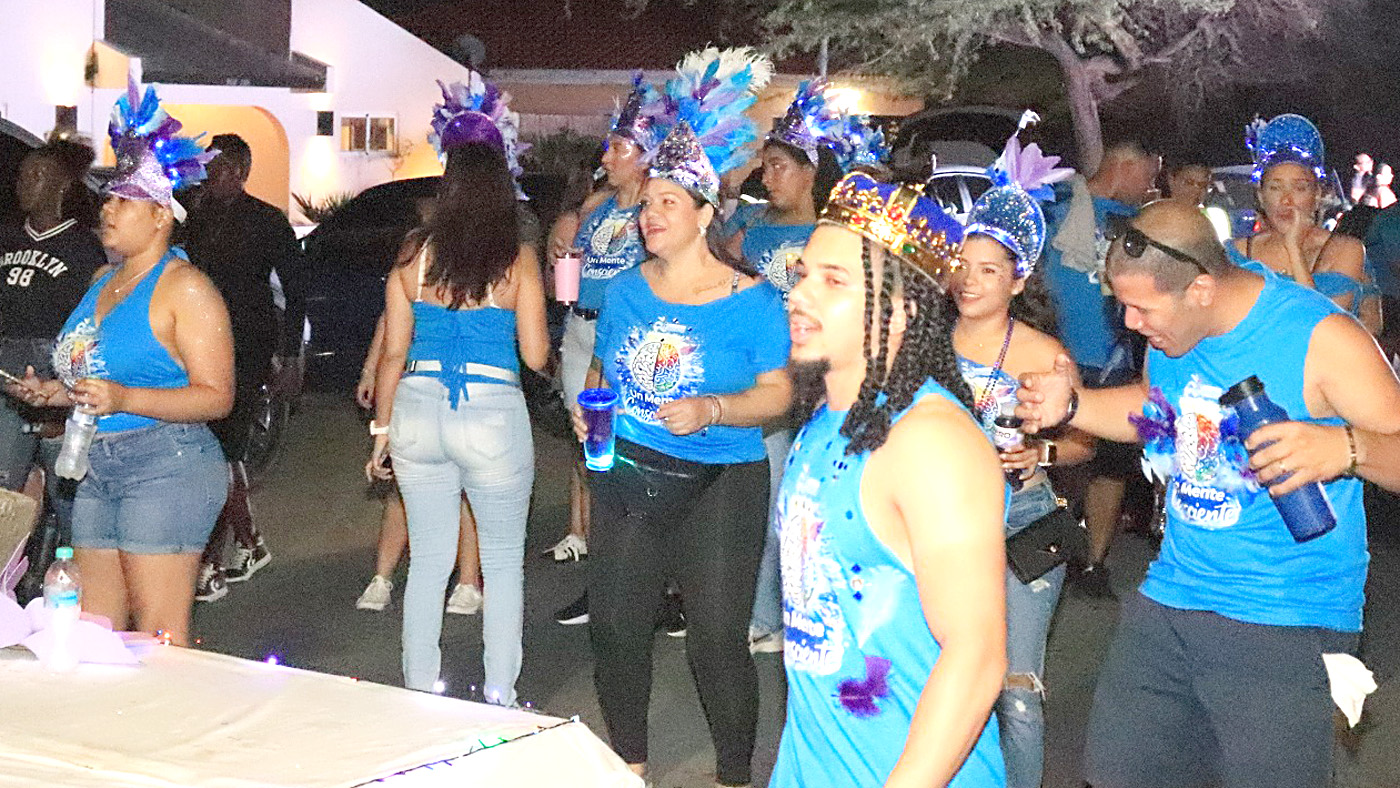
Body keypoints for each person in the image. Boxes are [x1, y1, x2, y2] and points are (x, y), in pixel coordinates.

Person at [1017, 200, 1400, 788]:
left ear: (1199, 289)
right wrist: (1074, 405)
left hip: (1286, 615)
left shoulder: (1321, 337)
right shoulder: (1171, 335)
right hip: (1173, 592)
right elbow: (1156, 410)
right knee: (1118, 774)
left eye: (1142, 308)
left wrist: (1346, 448)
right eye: (1123, 306)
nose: (1130, 323)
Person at [575, 48, 787, 786]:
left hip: (722, 479)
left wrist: (713, 408)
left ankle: (732, 774)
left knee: (716, 642)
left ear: (705, 214)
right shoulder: (626, 290)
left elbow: (778, 394)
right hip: (629, 472)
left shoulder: (753, 301)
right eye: (647, 202)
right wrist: (592, 419)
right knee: (615, 627)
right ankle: (630, 764)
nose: (650, 214)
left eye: (668, 202)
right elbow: (602, 372)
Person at [770, 170, 1007, 787]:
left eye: (834, 281)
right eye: (803, 275)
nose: (800, 296)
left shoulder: (931, 443)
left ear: (901, 311)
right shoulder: (825, 419)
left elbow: (977, 655)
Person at [6, 80, 233, 647]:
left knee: (159, 638)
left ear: (160, 216)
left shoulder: (186, 288)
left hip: (166, 465)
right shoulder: (102, 280)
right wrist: (56, 392)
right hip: (92, 464)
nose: (106, 209)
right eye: (107, 198)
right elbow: (101, 378)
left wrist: (124, 399)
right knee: (94, 636)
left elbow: (217, 396)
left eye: (122, 201)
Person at [364, 75, 548, 704]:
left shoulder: (413, 255)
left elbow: (393, 353)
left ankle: (419, 687)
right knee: (501, 562)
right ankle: (498, 692)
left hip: (417, 411)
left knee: (429, 561)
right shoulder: (518, 258)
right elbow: (534, 355)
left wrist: (381, 432)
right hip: (492, 411)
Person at [953, 122, 1094, 788]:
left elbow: (1086, 442)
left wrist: (1042, 453)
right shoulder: (925, 337)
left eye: (988, 270)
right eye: (963, 264)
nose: (969, 280)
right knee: (947, 679)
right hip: (943, 523)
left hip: (1021, 522)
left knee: (1015, 691)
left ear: (1018, 280)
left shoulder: (1044, 354)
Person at [722, 79, 883, 654]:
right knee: (762, 505)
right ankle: (760, 612)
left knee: (806, 507)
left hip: (819, 390)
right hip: (764, 383)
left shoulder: (834, 235)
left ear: (812, 172)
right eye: (764, 166)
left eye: (779, 167)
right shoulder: (747, 230)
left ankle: (793, 615)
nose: (767, 178)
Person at [546, 76, 659, 598]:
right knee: (590, 446)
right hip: (580, 330)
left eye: (618, 148)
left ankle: (638, 580)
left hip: (625, 339)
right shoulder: (597, 208)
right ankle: (604, 576)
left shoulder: (657, 210)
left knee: (626, 451)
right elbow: (572, 271)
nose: (606, 157)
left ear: (645, 155)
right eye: (608, 147)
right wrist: (563, 262)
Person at [182, 133, 305, 601]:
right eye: (207, 167)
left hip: (248, 345)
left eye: (218, 168)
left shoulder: (267, 221)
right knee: (212, 450)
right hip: (197, 342)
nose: (209, 176)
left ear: (239, 172)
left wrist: (290, 356)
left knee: (223, 447)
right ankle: (250, 543)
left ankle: (211, 560)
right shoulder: (196, 218)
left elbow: (295, 290)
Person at [1040, 141, 1161, 596]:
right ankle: (1049, 555)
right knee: (1058, 462)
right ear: (1124, 165)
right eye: (1147, 173)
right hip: (1059, 355)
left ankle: (1093, 564)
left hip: (1115, 358)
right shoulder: (1057, 205)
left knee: (1111, 466)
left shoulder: (1139, 224)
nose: (1150, 185)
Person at [0, 138, 106, 515]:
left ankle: (64, 549)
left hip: (57, 370)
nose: (23, 183)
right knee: (6, 490)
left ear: (60, 184)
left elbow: (94, 322)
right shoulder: (7, 236)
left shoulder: (83, 247)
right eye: (22, 175)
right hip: (10, 373)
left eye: (37, 175)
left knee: (68, 496)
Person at [354, 314, 482, 615]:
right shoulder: (411, 280)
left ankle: (468, 582)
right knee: (402, 481)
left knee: (465, 483)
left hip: (462, 373)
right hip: (411, 376)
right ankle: (382, 577)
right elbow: (388, 318)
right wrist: (371, 370)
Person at [1233, 114, 1382, 334]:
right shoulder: (1237, 253)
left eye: (1300, 188)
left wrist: (1294, 249)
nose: (1286, 200)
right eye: (1275, 187)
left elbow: (1323, 330)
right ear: (1261, 196)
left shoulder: (1344, 250)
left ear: (1317, 194)